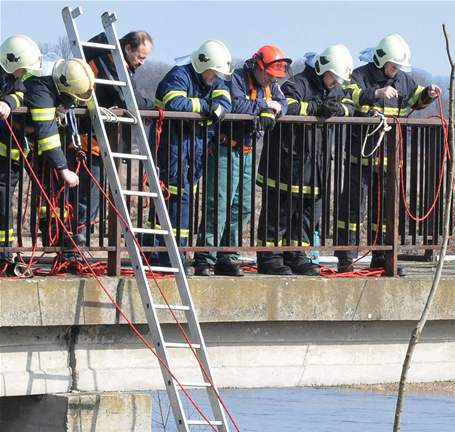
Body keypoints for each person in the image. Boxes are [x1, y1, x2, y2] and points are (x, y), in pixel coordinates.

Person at [337, 34, 439, 274]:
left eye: (399, 66)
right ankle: (346, 258)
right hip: (360, 158)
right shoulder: (360, 76)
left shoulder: (404, 80)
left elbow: (414, 98)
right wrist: (376, 94)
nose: (396, 70)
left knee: (384, 212)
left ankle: (382, 257)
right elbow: (347, 94)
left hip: (390, 161)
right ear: (381, 60)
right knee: (353, 210)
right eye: (393, 65)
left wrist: (428, 95)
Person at [256, 44, 354, 276]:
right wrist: (316, 108)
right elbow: (286, 105)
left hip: (316, 166)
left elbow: (351, 106)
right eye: (334, 77)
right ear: (323, 69)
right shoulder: (298, 84)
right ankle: (270, 257)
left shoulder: (335, 89)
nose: (336, 83)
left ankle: (297, 255)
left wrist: (337, 109)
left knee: (307, 215)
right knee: (279, 213)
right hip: (287, 163)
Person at [195, 45, 289, 277]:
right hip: (225, 149)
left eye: (274, 76)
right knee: (219, 204)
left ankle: (228, 256)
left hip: (247, 152)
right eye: (268, 74)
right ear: (258, 67)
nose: (270, 80)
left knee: (242, 207)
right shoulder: (235, 79)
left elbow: (283, 105)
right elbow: (236, 105)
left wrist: (270, 111)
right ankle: (205, 257)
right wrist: (265, 107)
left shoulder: (271, 86)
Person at [63, 30, 154, 264]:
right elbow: (127, 98)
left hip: (99, 142)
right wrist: (151, 105)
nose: (142, 62)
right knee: (85, 198)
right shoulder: (109, 64)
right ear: (127, 49)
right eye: (140, 56)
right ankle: (73, 247)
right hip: (89, 142)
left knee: (89, 198)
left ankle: (76, 246)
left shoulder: (115, 63)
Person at [143, 40, 232, 274]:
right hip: (171, 144)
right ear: (203, 66)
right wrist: (205, 105)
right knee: (174, 198)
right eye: (214, 73)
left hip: (195, 146)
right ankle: (169, 255)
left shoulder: (214, 80)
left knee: (181, 199)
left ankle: (165, 251)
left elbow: (225, 102)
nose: (216, 78)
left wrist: (217, 108)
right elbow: (174, 102)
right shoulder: (179, 75)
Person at [24, 58, 95, 255]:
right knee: (48, 190)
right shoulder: (41, 90)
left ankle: (56, 236)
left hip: (36, 146)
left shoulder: (56, 77)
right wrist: (63, 169)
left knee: (53, 190)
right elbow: (46, 134)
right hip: (25, 144)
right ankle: (52, 236)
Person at [0, 35, 42, 274]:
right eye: (22, 70)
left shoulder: (11, 80)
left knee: (5, 209)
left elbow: (19, 93)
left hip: (8, 164)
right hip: (4, 164)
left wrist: (8, 102)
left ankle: (5, 253)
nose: (23, 74)